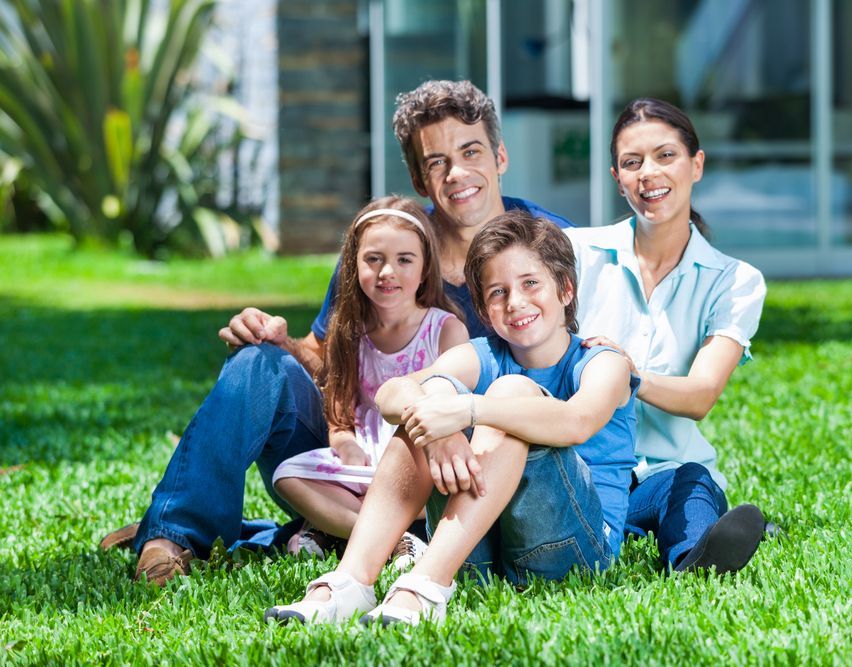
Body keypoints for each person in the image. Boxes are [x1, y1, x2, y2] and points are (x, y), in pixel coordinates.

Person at [100, 79, 574, 586]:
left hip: (468, 460)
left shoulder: (549, 244)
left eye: (471, 151)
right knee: (257, 362)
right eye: (436, 162)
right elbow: (335, 359)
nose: (457, 174)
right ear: (418, 178)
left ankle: (306, 533)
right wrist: (279, 340)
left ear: (500, 156)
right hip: (362, 449)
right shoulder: (389, 243)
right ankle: (172, 535)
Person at [264, 211, 638, 626]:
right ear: (483, 307)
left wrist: (469, 410)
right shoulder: (483, 354)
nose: (515, 303)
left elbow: (577, 421)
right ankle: (353, 580)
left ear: (566, 289)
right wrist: (439, 430)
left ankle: (425, 584)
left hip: (575, 550)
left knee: (506, 396)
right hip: (478, 551)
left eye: (531, 283)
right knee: (430, 396)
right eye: (497, 292)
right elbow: (393, 392)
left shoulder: (601, 362)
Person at [567, 98, 767, 576]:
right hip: (581, 471)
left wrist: (627, 375)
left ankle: (695, 559)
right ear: (617, 179)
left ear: (696, 165)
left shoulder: (735, 280)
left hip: (666, 473)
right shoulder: (574, 252)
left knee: (691, 486)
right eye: (632, 163)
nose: (648, 174)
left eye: (666, 156)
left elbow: (700, 395)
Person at [270, 196, 468, 562]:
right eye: (373, 259)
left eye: (404, 260)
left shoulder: (445, 330)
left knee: (444, 488)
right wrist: (346, 446)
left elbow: (452, 410)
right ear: (354, 265)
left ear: (425, 268)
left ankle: (335, 529)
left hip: (418, 458)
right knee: (287, 476)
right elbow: (341, 412)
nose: (387, 271)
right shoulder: (350, 332)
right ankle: (394, 541)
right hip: (363, 462)